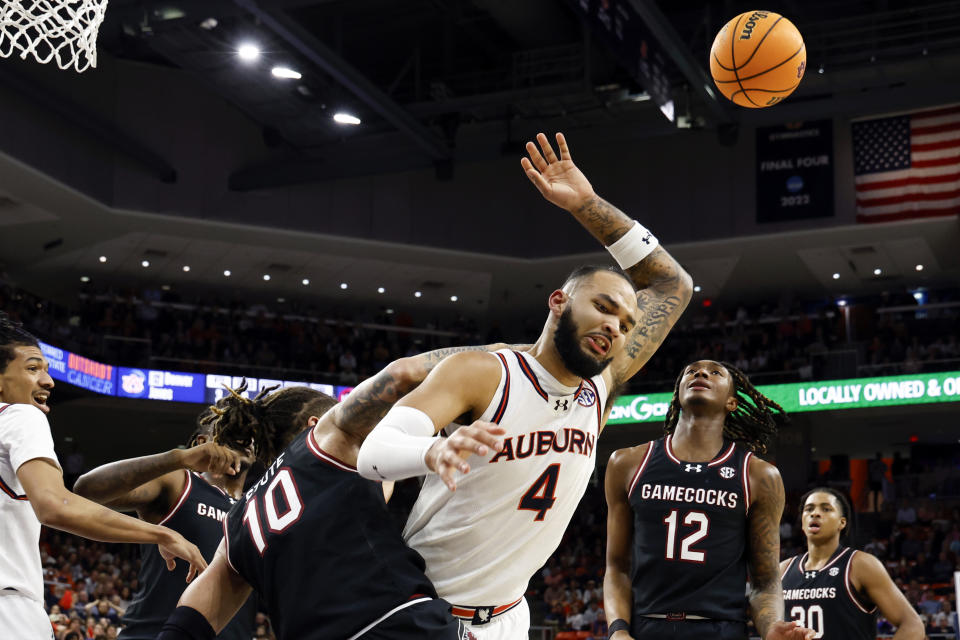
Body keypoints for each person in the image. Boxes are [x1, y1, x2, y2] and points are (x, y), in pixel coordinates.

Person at [355, 131, 693, 638]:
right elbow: (375, 453)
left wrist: (587, 205)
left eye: (626, 323)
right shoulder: (486, 372)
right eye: (602, 306)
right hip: (425, 611)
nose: (615, 327)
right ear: (558, 301)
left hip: (511, 617)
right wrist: (430, 452)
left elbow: (672, 285)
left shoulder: (601, 385)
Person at [158, 343, 518, 640]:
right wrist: (502, 357)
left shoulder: (236, 526)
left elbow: (190, 621)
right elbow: (403, 374)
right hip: (398, 625)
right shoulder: (324, 441)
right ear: (315, 423)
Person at [0, 312, 205, 639]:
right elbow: (55, 505)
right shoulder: (20, 416)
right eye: (32, 368)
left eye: (46, 370)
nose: (48, 381)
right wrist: (162, 534)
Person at [604, 360, 814, 640]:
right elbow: (616, 567)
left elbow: (765, 581)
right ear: (677, 393)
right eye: (690, 370)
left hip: (721, 629)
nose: (700, 373)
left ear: (732, 402)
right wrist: (617, 630)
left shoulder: (759, 476)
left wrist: (770, 626)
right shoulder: (627, 463)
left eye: (715, 372)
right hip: (646, 627)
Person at [73, 404, 259, 639]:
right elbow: (86, 490)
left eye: (248, 433)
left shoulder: (258, 506)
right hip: (152, 633)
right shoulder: (180, 482)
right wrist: (178, 459)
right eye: (230, 430)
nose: (242, 438)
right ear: (202, 441)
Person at [781, 487, 924, 639]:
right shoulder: (783, 570)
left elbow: (912, 625)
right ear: (802, 522)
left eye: (826, 509)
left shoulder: (860, 565)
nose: (815, 513)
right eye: (808, 509)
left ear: (841, 523)